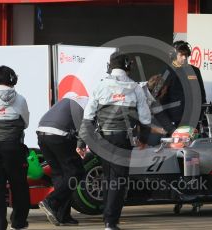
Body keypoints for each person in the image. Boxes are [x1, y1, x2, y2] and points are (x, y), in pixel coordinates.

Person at [78, 51, 151, 230]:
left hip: (101, 139)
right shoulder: (135, 88)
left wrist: (81, 143)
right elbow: (145, 119)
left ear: (110, 66)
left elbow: (88, 117)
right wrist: (143, 139)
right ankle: (110, 221)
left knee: (109, 177)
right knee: (118, 180)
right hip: (123, 140)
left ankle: (108, 218)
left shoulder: (100, 86)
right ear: (127, 66)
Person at [0, 66, 30, 230]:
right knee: (19, 185)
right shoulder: (20, 99)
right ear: (13, 80)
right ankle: (19, 222)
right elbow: (25, 123)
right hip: (14, 147)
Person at [37, 96, 86, 226]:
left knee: (60, 174)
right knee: (77, 172)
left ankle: (61, 215)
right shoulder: (93, 105)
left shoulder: (75, 99)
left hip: (42, 132)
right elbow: (87, 127)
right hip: (59, 134)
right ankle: (51, 201)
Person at [159, 40, 206, 127]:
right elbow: (161, 98)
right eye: (181, 55)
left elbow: (202, 94)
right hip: (174, 119)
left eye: (186, 55)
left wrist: (200, 114)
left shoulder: (195, 71)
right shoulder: (167, 71)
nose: (184, 58)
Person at [139, 74, 176, 145]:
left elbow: (163, 120)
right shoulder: (138, 93)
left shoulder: (153, 98)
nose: (166, 93)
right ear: (159, 89)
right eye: (165, 89)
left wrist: (177, 133)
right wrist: (153, 130)